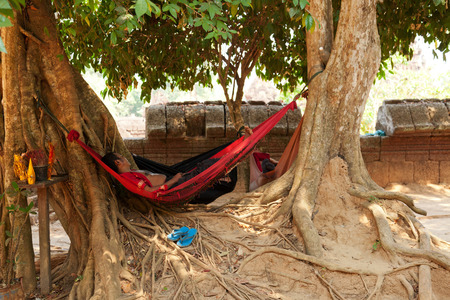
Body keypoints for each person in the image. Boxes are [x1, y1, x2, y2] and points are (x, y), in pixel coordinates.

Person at [101, 152, 220, 193]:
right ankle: (229, 158)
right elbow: (149, 190)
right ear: (118, 162)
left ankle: (224, 167)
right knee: (203, 167)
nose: (125, 157)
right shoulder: (127, 178)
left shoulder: (131, 173)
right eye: (122, 156)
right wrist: (174, 180)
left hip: (172, 180)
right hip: (172, 185)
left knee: (199, 171)